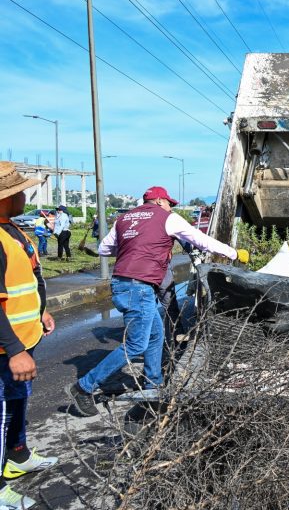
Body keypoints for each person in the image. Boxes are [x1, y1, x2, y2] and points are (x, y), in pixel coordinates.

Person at [67, 186, 250, 417]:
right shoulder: (168, 218)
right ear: (160, 201)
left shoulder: (124, 218)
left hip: (124, 282)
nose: (171, 207)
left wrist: (134, 247)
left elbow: (104, 248)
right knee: (136, 345)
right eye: (169, 203)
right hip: (139, 286)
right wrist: (233, 253)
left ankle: (153, 384)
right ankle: (84, 387)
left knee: (155, 335)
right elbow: (200, 240)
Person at [0, 162, 58, 509]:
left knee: (18, 401)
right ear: (5, 198)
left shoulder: (13, 230)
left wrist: (40, 311)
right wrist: (14, 349)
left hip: (25, 337)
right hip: (8, 348)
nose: (25, 195)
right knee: (2, 411)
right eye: (20, 190)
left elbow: (27, 281)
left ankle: (18, 454)